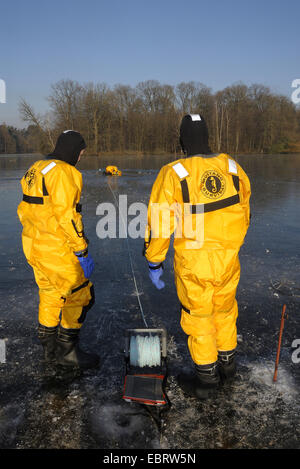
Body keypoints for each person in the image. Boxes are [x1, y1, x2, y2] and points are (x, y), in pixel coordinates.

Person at [144, 114, 251, 398]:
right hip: (228, 260)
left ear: (182, 141)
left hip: (195, 263)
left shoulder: (174, 172)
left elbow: (159, 222)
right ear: (207, 136)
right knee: (225, 310)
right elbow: (245, 211)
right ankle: (228, 366)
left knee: (199, 316)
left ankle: (206, 380)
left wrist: (154, 259)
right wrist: (231, 245)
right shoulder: (232, 167)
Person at [17, 130, 99, 369]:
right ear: (73, 150)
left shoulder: (36, 169)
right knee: (82, 295)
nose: (81, 157)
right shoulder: (64, 173)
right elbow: (67, 217)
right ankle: (67, 352)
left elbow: (27, 210)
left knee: (51, 295)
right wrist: (81, 250)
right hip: (58, 250)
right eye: (81, 152)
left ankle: (49, 350)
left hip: (35, 246)